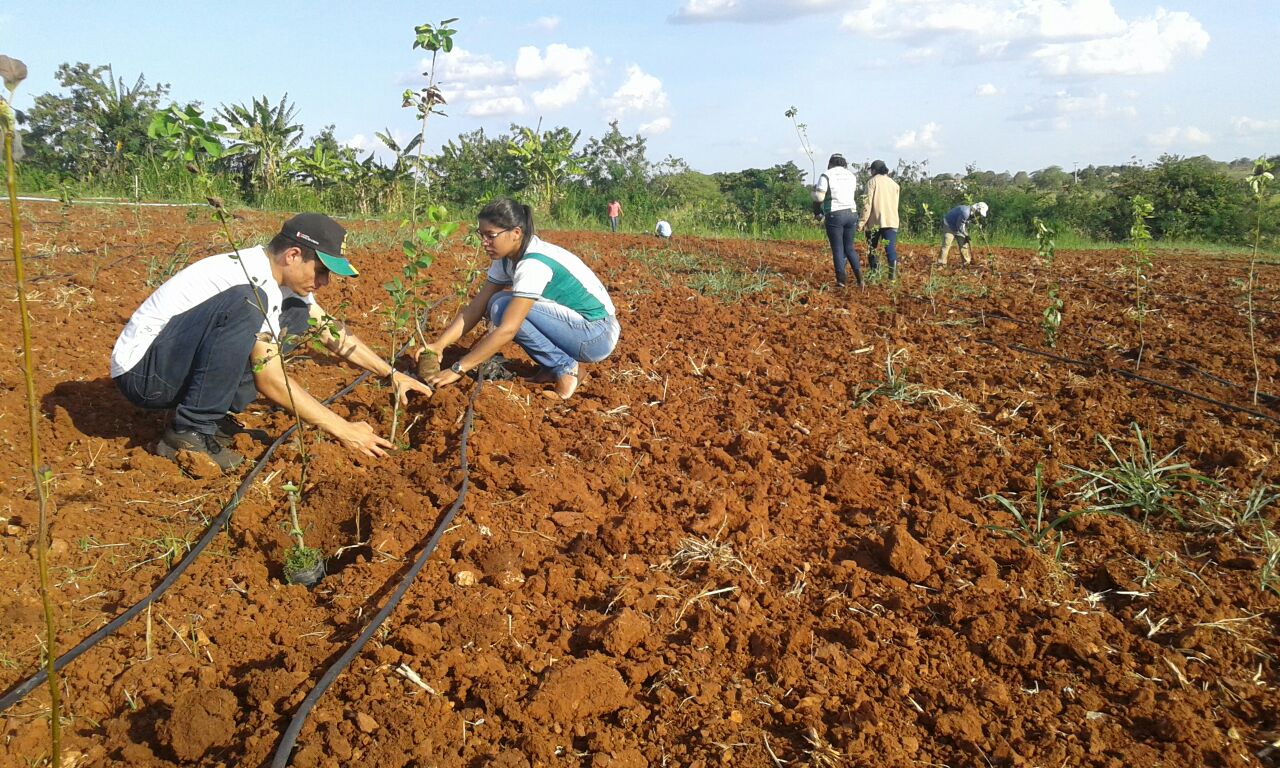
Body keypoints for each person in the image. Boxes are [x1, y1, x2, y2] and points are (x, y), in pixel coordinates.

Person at [111, 213, 434, 472]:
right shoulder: (253, 284)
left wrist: (391, 373)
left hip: (172, 363)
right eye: (321, 271)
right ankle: (190, 431)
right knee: (247, 304)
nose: (324, 282)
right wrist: (343, 429)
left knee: (297, 313)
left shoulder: (278, 281)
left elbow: (327, 330)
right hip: (145, 375)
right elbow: (270, 379)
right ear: (293, 255)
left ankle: (212, 414)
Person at [423, 198, 621, 400]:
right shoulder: (507, 258)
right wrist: (439, 345)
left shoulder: (533, 264)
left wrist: (458, 368)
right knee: (496, 303)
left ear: (516, 233)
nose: (484, 242)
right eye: (481, 235)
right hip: (579, 328)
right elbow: (476, 307)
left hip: (596, 335)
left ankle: (566, 369)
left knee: (502, 306)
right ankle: (552, 365)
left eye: (491, 236)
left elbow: (508, 329)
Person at [812, 153, 862, 288]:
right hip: (852, 213)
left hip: (835, 214)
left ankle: (841, 282)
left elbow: (819, 198)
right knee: (850, 248)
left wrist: (816, 209)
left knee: (838, 249)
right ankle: (860, 279)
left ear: (830, 163)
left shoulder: (827, 175)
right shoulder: (851, 176)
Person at [858, 159, 901, 279]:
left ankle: (874, 274)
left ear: (874, 170)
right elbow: (895, 204)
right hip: (891, 223)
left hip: (875, 223)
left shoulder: (872, 182)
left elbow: (867, 204)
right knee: (889, 248)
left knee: (872, 248)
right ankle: (892, 277)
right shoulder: (894, 184)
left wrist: (862, 222)